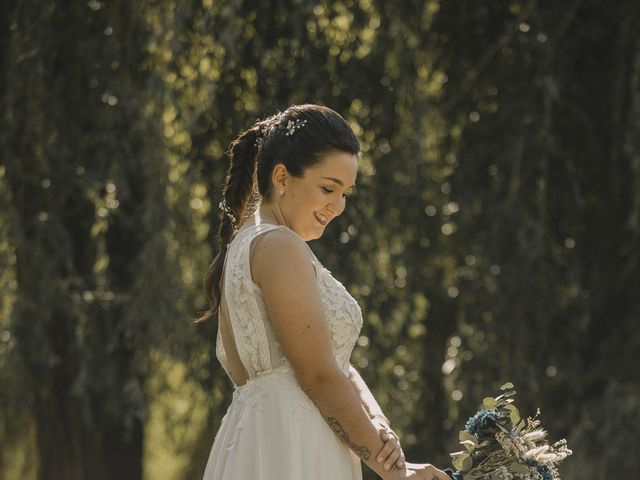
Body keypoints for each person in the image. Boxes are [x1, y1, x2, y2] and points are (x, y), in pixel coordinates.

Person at [196, 104, 451, 480]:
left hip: (269, 441)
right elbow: (318, 375)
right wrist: (395, 472)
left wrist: (380, 426)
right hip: (292, 446)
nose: (338, 206)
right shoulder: (279, 246)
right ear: (282, 177)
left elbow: (336, 365)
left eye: (346, 193)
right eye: (328, 188)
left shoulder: (247, 245)